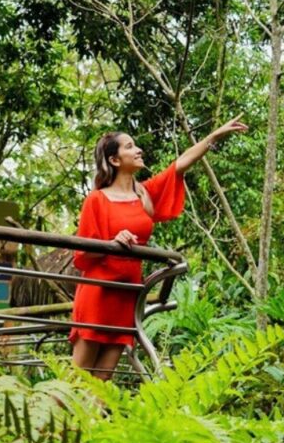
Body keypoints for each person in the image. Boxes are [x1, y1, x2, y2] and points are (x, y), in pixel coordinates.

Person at [70, 116, 248, 379]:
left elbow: (181, 164)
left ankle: (89, 423)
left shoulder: (144, 194)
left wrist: (215, 136)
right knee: (77, 380)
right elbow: (82, 254)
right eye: (129, 146)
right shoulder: (96, 200)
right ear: (114, 160)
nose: (138, 150)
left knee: (102, 381)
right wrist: (113, 243)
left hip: (127, 296)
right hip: (99, 295)